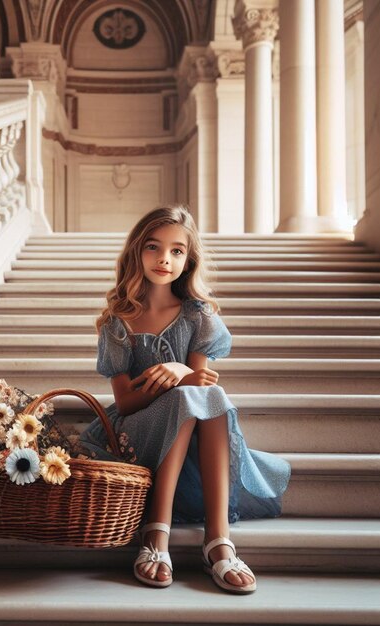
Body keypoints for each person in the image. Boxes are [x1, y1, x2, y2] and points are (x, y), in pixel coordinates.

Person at [79, 205, 291, 593]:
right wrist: (175, 380)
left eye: (177, 251)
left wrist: (180, 373)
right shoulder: (118, 321)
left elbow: (200, 381)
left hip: (192, 432)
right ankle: (155, 532)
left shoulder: (198, 316)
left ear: (188, 259)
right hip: (136, 430)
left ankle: (218, 540)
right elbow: (125, 403)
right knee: (189, 397)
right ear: (136, 252)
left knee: (207, 395)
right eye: (153, 248)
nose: (164, 259)